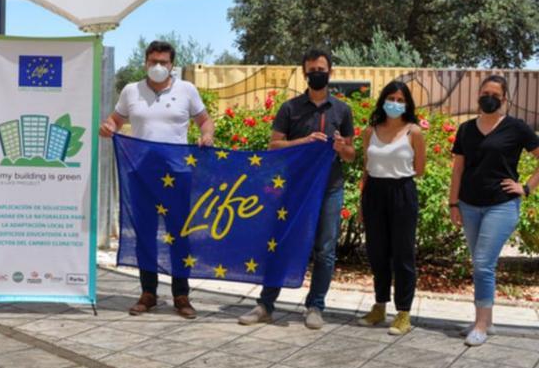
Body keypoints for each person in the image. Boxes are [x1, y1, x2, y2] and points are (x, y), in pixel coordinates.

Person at [239, 48, 355, 329]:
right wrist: (303, 141)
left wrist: (341, 148)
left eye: (322, 69)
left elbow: (351, 154)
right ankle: (265, 304)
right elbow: (274, 146)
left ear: (331, 72)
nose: (317, 74)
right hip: (293, 189)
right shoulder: (290, 108)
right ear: (304, 74)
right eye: (312, 70)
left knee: (325, 250)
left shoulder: (342, 110)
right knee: (282, 243)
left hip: (329, 188)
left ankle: (315, 306)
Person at [100, 40, 214, 319]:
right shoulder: (131, 91)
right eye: (153, 62)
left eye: (164, 62)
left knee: (179, 235)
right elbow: (115, 120)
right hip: (141, 174)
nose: (158, 67)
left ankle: (181, 295)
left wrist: (207, 135)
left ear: (172, 64)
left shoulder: (187, 90)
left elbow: (205, 121)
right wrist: (108, 127)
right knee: (145, 235)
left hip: (177, 175)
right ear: (145, 63)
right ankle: (148, 292)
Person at [449, 75, 539, 346]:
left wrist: (526, 187)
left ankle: (480, 324)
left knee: (483, 265)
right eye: (484, 92)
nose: (488, 97)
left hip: (501, 205)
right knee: (480, 264)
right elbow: (458, 169)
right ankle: (486, 319)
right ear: (478, 95)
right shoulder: (465, 129)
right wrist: (453, 203)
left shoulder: (516, 128)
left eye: (494, 93)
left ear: (504, 99)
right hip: (469, 204)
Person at [356, 81, 425, 336]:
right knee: (377, 253)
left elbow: (420, 168)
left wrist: (398, 177)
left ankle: (403, 313)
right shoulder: (370, 131)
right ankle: (379, 306)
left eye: (400, 99)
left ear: (406, 103)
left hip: (402, 192)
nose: (394, 103)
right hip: (374, 192)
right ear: (383, 100)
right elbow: (366, 166)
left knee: (403, 255)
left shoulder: (413, 132)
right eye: (390, 97)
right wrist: (362, 203)